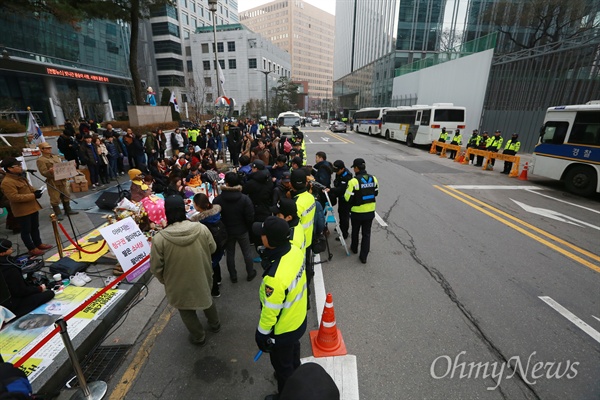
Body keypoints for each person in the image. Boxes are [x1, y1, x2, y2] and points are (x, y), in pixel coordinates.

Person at [150, 195, 221, 346]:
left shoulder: (160, 238)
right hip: (202, 274)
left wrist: (166, 280)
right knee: (207, 299)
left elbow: (156, 267)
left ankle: (199, 336)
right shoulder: (201, 229)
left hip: (177, 282)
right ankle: (215, 325)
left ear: (166, 212)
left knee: (185, 309)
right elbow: (213, 248)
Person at [253, 216, 307, 400]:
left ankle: (286, 395)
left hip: (282, 329)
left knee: (282, 367)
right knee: (293, 352)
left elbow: (270, 312)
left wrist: (261, 336)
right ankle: (296, 372)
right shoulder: (294, 251)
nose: (261, 237)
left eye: (263, 234)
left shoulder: (274, 278)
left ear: (270, 241)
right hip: (298, 319)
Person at [0, 158, 52, 256]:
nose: (20, 167)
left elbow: (29, 187)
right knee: (26, 230)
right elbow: (13, 197)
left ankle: (38, 243)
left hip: (32, 206)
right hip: (22, 210)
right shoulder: (7, 182)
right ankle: (32, 248)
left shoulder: (20, 177)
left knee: (35, 227)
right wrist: (33, 196)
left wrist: (36, 191)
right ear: (10, 169)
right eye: (18, 166)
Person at [212, 172, 257, 283]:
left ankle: (233, 276)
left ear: (226, 183)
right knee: (246, 252)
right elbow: (250, 216)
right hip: (242, 229)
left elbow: (216, 216)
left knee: (230, 253)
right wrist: (247, 226)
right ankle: (250, 273)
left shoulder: (218, 200)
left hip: (227, 230)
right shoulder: (244, 199)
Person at [0, 239, 55, 318]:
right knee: (49, 294)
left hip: (7, 301)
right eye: (9, 248)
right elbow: (21, 291)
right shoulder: (9, 268)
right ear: (2, 253)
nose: (11, 248)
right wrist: (39, 289)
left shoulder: (7, 264)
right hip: (12, 305)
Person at [344, 158, 379, 264]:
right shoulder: (374, 178)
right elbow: (376, 193)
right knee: (366, 234)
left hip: (357, 212)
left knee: (355, 230)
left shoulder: (353, 181)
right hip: (370, 212)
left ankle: (354, 248)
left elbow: (347, 198)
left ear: (356, 168)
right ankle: (364, 256)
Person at [36, 142, 79, 220]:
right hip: (53, 181)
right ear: (42, 150)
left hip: (62, 179)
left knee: (66, 194)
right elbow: (43, 172)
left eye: (50, 148)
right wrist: (50, 171)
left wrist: (71, 167)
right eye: (47, 148)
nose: (49, 149)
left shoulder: (55, 157)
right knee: (55, 197)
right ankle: (58, 213)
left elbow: (62, 166)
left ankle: (68, 209)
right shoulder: (41, 160)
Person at [330, 160, 352, 241]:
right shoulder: (339, 173)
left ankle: (344, 233)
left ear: (342, 169)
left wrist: (331, 190)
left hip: (346, 199)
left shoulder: (347, 176)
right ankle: (340, 226)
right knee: (340, 212)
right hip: (341, 197)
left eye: (337, 170)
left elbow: (341, 189)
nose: (336, 172)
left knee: (344, 216)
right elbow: (336, 183)